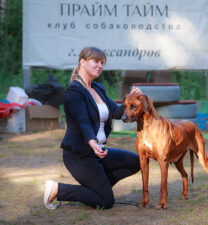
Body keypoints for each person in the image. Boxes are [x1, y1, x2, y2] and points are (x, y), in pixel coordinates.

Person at [44, 47, 140, 209]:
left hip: (98, 152)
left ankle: (97, 188)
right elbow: (83, 121)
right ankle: (58, 189)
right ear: (82, 62)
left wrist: (131, 100)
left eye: (102, 62)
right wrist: (92, 142)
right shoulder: (74, 91)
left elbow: (116, 112)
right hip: (79, 155)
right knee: (106, 202)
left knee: (135, 162)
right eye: (96, 61)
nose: (100, 65)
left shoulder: (98, 89)